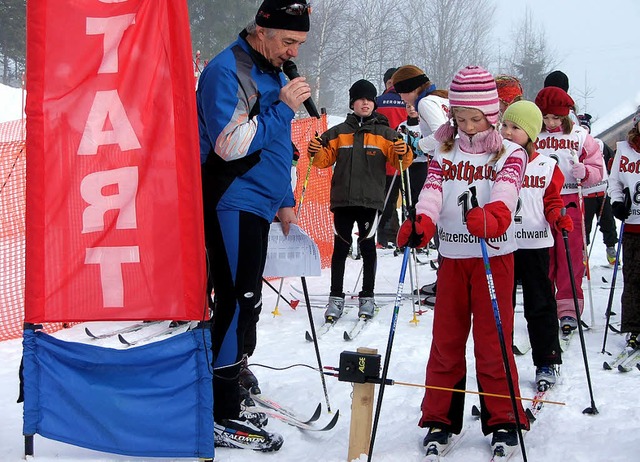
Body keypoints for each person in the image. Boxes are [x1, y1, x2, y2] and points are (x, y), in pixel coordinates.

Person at [196, 0, 311, 451]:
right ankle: (218, 407)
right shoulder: (229, 70)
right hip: (232, 199)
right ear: (261, 30)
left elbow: (277, 143)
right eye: (287, 42)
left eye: (299, 44)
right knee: (233, 300)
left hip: (262, 202)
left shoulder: (271, 70)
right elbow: (230, 143)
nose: (292, 53)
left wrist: (285, 198)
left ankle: (233, 378)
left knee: (250, 301)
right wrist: (282, 108)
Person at [397, 66, 529, 458]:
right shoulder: (444, 149)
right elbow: (433, 190)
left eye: (476, 118)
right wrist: (422, 220)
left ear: (493, 115)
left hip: (494, 258)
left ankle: (503, 418)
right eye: (461, 117)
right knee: (446, 342)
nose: (468, 126)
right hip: (453, 257)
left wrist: (497, 215)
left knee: (493, 343)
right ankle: (440, 418)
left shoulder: (510, 151)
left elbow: (506, 190)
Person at [307, 79, 411, 321]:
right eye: (360, 99)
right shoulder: (338, 132)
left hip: (370, 200)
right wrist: (315, 150)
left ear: (374, 103)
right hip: (343, 199)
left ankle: (368, 297)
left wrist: (404, 153)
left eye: (369, 99)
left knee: (367, 247)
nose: (365, 103)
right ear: (352, 102)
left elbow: (400, 165)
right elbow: (323, 160)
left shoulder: (385, 133)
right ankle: (335, 298)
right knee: (340, 248)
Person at [501, 100, 568, 390]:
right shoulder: (495, 159)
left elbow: (552, 200)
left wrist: (558, 218)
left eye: (515, 127)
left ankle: (547, 359)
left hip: (536, 244)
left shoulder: (546, 164)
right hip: (502, 244)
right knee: (502, 306)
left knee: (539, 304)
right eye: (504, 125)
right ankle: (500, 362)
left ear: (531, 132)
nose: (507, 131)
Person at [534, 87, 603, 334]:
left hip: (569, 201)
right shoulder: (533, 133)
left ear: (565, 116)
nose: (550, 122)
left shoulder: (580, 136)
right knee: (543, 257)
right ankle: (544, 305)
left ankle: (569, 309)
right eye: (546, 117)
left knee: (570, 256)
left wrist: (586, 172)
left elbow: (598, 168)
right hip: (538, 202)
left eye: (555, 118)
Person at [608, 106, 640, 349]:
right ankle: (633, 327)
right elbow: (615, 181)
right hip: (632, 226)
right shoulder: (625, 150)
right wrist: (617, 203)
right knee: (632, 279)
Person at [578, 113, 619, 265]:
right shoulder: (576, 144)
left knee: (608, 222)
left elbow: (612, 160)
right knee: (585, 226)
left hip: (603, 191)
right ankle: (582, 253)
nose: (584, 131)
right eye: (581, 128)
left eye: (586, 128)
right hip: (586, 193)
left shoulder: (599, 144)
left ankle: (611, 248)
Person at [376, 67, 406, 248]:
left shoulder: (378, 102)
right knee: (410, 200)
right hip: (410, 160)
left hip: (384, 159)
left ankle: (384, 236)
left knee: (386, 199)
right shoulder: (410, 101)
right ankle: (408, 235)